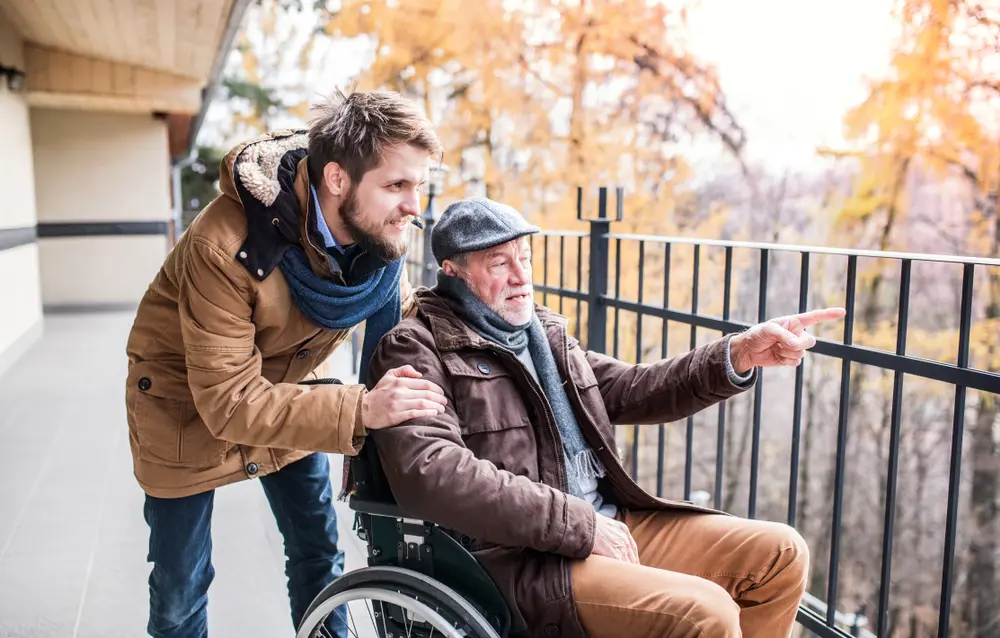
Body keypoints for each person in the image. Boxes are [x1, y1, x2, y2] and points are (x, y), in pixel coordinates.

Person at [365, 197, 847, 638]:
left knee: (780, 554)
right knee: (706, 613)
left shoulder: (543, 339)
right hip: (523, 560)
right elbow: (434, 473)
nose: (520, 275)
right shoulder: (415, 347)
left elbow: (637, 387)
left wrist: (738, 352)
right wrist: (580, 524)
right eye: (499, 263)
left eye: (524, 258)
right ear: (453, 271)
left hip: (607, 522)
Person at [124, 90, 450, 638]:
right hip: (183, 403)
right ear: (338, 179)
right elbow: (228, 402)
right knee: (182, 586)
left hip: (285, 390)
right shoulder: (223, 247)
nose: (414, 206)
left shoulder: (375, 248)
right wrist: (362, 408)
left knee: (319, 555)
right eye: (396, 185)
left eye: (418, 185)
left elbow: (401, 332)